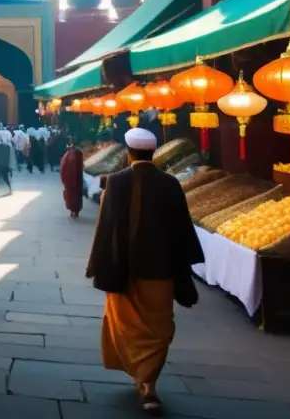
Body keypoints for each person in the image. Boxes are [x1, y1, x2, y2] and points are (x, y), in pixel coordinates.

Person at [86, 127, 204, 415]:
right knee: (158, 328)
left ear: (128, 153)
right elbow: (181, 229)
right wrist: (184, 266)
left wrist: (97, 265)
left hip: (124, 271)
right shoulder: (170, 184)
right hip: (160, 272)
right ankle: (149, 383)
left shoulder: (114, 182)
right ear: (152, 153)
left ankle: (144, 380)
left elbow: (106, 227)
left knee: (128, 326)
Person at [59, 137, 85, 218]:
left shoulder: (68, 155)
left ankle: (72, 210)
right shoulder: (78, 153)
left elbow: (63, 167)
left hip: (70, 179)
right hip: (76, 178)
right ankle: (76, 211)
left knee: (71, 195)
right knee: (76, 195)